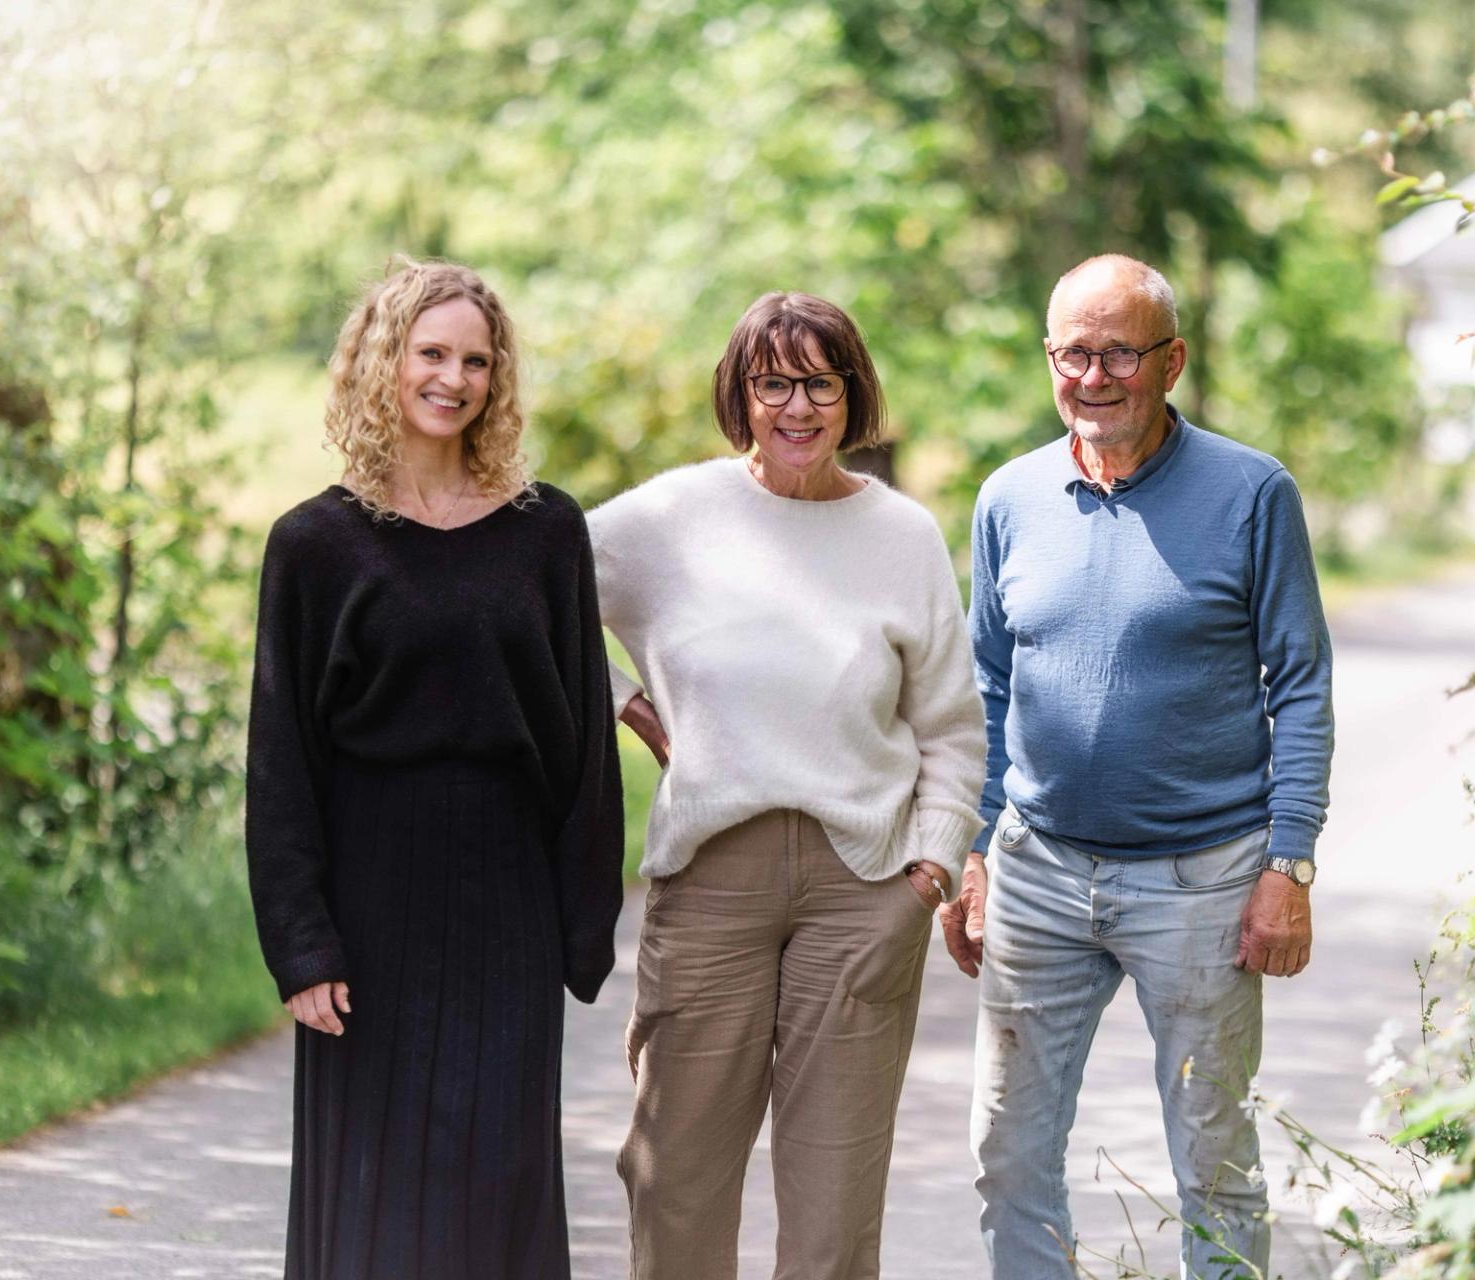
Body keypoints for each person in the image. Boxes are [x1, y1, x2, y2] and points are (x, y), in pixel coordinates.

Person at [945, 255, 1333, 1278]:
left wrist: (1287, 865)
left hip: (1203, 877)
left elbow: (1299, 684)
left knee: (1214, 1160)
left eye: (1121, 350)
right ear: (1049, 359)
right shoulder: (1009, 496)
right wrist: (974, 847)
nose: (1095, 374)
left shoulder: (1253, 493)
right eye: (1073, 351)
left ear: (1174, 360)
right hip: (1039, 868)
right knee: (1008, 1152)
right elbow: (986, 686)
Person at [588, 291, 987, 1280]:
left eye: (822, 381)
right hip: (711, 876)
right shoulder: (672, 517)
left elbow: (950, 727)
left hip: (864, 885)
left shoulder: (903, 535)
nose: (798, 405)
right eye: (774, 381)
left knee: (833, 1205)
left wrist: (931, 867)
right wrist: (630, 704)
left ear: (853, 396)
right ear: (740, 393)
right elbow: (515, 592)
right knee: (674, 1175)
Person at [244, 258, 623, 1280]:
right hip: (369, 893)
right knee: (372, 1182)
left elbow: (585, 736)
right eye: (432, 353)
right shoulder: (314, 543)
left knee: (496, 1172)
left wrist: (582, 919)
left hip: (506, 895)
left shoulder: (547, 529)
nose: (453, 378)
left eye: (477, 360)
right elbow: (281, 762)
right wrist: (302, 940)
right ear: (383, 360)